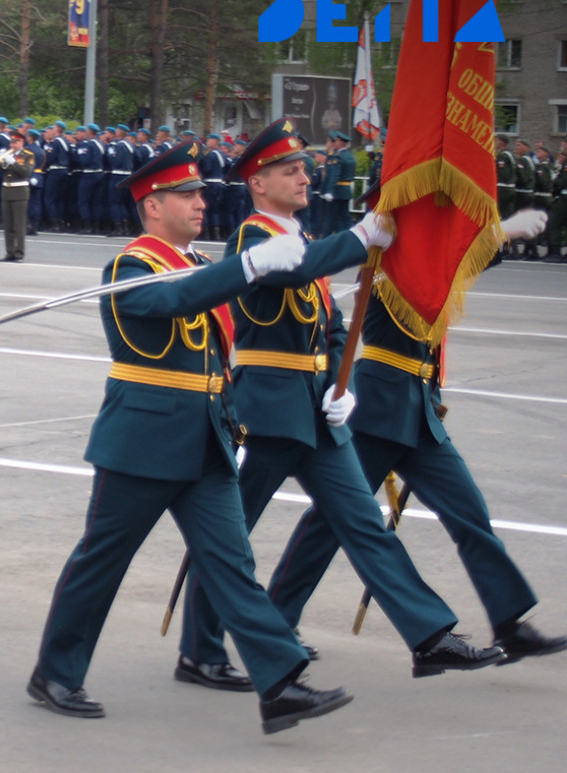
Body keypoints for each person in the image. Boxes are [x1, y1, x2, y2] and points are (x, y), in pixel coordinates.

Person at [28, 141, 353, 733]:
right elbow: (176, 300)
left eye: (201, 192)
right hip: (143, 440)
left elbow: (224, 328)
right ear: (152, 206)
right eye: (187, 194)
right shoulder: (130, 267)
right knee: (103, 562)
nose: (201, 202)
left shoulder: (201, 265)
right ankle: (55, 671)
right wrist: (251, 264)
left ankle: (278, 681)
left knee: (232, 564)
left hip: (206, 439)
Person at [179, 119, 502, 686]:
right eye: (290, 170)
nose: (306, 177)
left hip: (313, 409)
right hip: (267, 408)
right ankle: (201, 651)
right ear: (258, 183)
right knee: (230, 535)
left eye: (304, 168)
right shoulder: (253, 239)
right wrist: (357, 238)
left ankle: (428, 637)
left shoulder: (302, 237)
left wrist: (339, 383)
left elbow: (328, 318)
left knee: (363, 523)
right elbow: (298, 271)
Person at [266, 204, 567, 664]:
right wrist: (497, 234)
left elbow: (446, 270)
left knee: (470, 513)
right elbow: (440, 275)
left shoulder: (421, 268)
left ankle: (510, 622)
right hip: (380, 409)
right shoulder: (386, 270)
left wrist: (492, 239)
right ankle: (275, 624)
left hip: (417, 410)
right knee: (330, 522)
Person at [0, 129, 34, 262]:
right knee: (7, 224)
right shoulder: (9, 154)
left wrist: (13, 162)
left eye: (15, 141)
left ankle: (19, 253)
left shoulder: (28, 155)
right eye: (11, 142)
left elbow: (25, 172)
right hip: (6, 191)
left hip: (20, 192)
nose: (12, 144)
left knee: (19, 225)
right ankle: (9, 252)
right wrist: (1, 160)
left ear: (21, 142)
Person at [319, 130, 355, 236]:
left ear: (341, 143)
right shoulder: (349, 156)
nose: (335, 143)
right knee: (344, 218)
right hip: (346, 191)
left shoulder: (338, 156)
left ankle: (325, 240)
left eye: (337, 141)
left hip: (336, 192)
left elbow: (334, 175)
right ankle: (348, 237)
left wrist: (329, 190)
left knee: (330, 218)